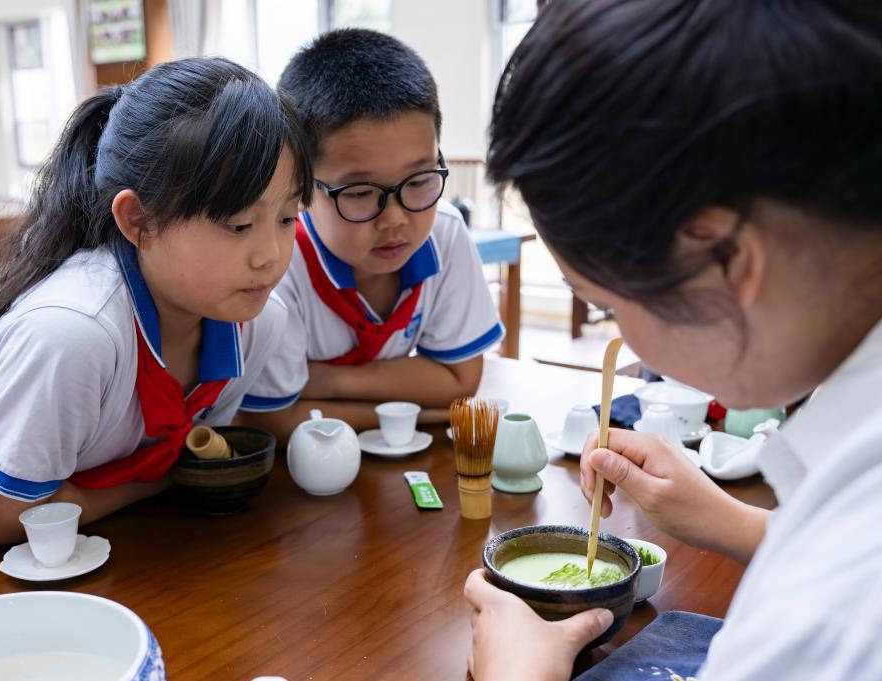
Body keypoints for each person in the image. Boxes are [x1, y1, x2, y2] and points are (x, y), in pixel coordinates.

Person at [464, 1, 882, 679]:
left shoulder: (835, 604)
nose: (621, 332)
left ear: (725, 258)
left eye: (607, 299)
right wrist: (729, 521)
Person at [0, 57, 312, 555]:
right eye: (239, 225)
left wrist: (74, 498)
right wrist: (155, 482)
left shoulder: (255, 317)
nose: (270, 255)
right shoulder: (74, 332)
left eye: (288, 218)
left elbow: (193, 455)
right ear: (137, 219)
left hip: (53, 529)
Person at [235, 29, 504, 442]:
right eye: (360, 193)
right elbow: (272, 420)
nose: (395, 218)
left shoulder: (444, 233)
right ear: (301, 188)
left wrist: (326, 382)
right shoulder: (276, 266)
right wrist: (419, 412)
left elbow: (461, 379)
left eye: (419, 180)